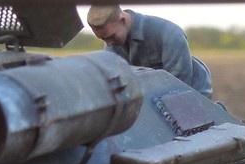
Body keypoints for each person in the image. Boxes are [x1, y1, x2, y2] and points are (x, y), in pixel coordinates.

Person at [85, 5, 214, 99]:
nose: (108, 43)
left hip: (192, 97)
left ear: (122, 21)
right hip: (148, 99)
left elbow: (178, 88)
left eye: (111, 36)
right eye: (103, 39)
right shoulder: (112, 45)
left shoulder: (170, 34)